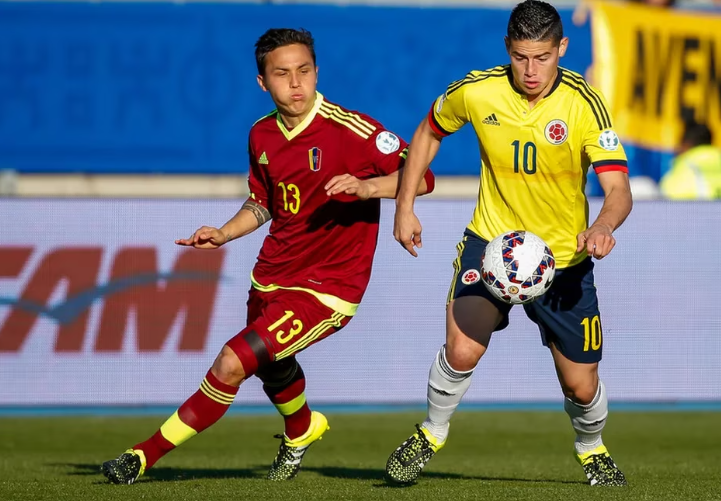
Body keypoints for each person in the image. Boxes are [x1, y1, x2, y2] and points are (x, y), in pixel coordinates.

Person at [101, 27, 435, 485]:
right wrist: (223, 233)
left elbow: (421, 176)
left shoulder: (351, 130)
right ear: (263, 82)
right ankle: (301, 428)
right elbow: (263, 203)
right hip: (272, 275)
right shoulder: (261, 134)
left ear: (317, 72)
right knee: (272, 367)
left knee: (232, 362)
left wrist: (368, 187)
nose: (296, 83)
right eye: (282, 74)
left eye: (304, 71)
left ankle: (141, 456)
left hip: (329, 288)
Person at [385, 0, 632, 487]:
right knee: (461, 351)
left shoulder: (584, 104)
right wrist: (404, 205)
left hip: (564, 261)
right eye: (521, 57)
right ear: (507, 49)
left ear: (562, 48)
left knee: (581, 386)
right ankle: (430, 434)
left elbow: (618, 189)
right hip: (491, 247)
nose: (531, 69)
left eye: (542, 56)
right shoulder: (478, 91)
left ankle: (591, 447)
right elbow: (429, 130)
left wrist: (602, 225)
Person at [660, 120, 721, 199]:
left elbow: (669, 201)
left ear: (687, 144)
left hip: (696, 210)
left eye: (679, 143)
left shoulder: (685, 164)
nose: (677, 148)